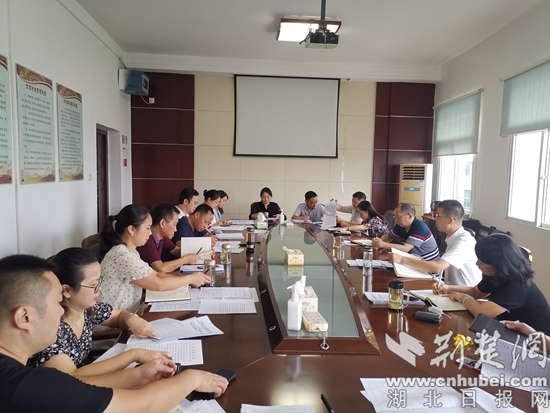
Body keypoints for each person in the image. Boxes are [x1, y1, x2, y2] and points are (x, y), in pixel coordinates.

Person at [0, 254, 228, 413]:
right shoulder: (30, 386)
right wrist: (192, 378)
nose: (61, 311)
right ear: (24, 317)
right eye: (57, 302)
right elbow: (141, 406)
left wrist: (138, 375)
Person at [28, 248, 172, 387]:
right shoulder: (50, 326)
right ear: (66, 290)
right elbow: (71, 376)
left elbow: (118, 316)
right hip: (64, 391)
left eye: (99, 281)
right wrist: (134, 355)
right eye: (93, 285)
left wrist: (130, 318)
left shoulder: (86, 308)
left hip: (90, 377)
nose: (100, 288)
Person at [99, 204, 211, 312]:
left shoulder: (132, 253)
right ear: (132, 229)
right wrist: (190, 279)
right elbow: (158, 284)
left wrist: (189, 279)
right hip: (117, 321)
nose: (150, 233)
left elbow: (156, 274)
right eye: (147, 228)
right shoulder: (122, 256)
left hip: (131, 313)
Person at [433, 234, 550, 335]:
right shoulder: (497, 273)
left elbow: (481, 312)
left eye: (482, 261)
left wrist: (463, 298)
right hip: (510, 330)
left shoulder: (518, 285)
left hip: (535, 343)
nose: (477, 263)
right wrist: (447, 288)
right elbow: (476, 292)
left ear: (498, 263)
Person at [389, 200, 481, 286]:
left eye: (437, 216)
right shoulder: (452, 237)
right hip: (450, 290)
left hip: (466, 294)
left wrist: (402, 259)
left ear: (450, 220)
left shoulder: (464, 241)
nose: (434, 219)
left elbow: (437, 268)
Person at [137, 203, 200, 272]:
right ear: (162, 223)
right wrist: (186, 259)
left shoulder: (162, 237)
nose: (175, 230)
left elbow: (176, 251)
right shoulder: (147, 239)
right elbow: (161, 268)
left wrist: (198, 253)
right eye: (174, 224)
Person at [371, 202, 439, 261]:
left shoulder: (420, 228)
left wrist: (382, 244)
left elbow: (405, 248)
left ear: (410, 216)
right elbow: (387, 237)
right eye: (395, 217)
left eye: (398, 217)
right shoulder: (401, 225)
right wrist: (378, 242)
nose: (395, 220)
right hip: (412, 259)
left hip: (426, 264)